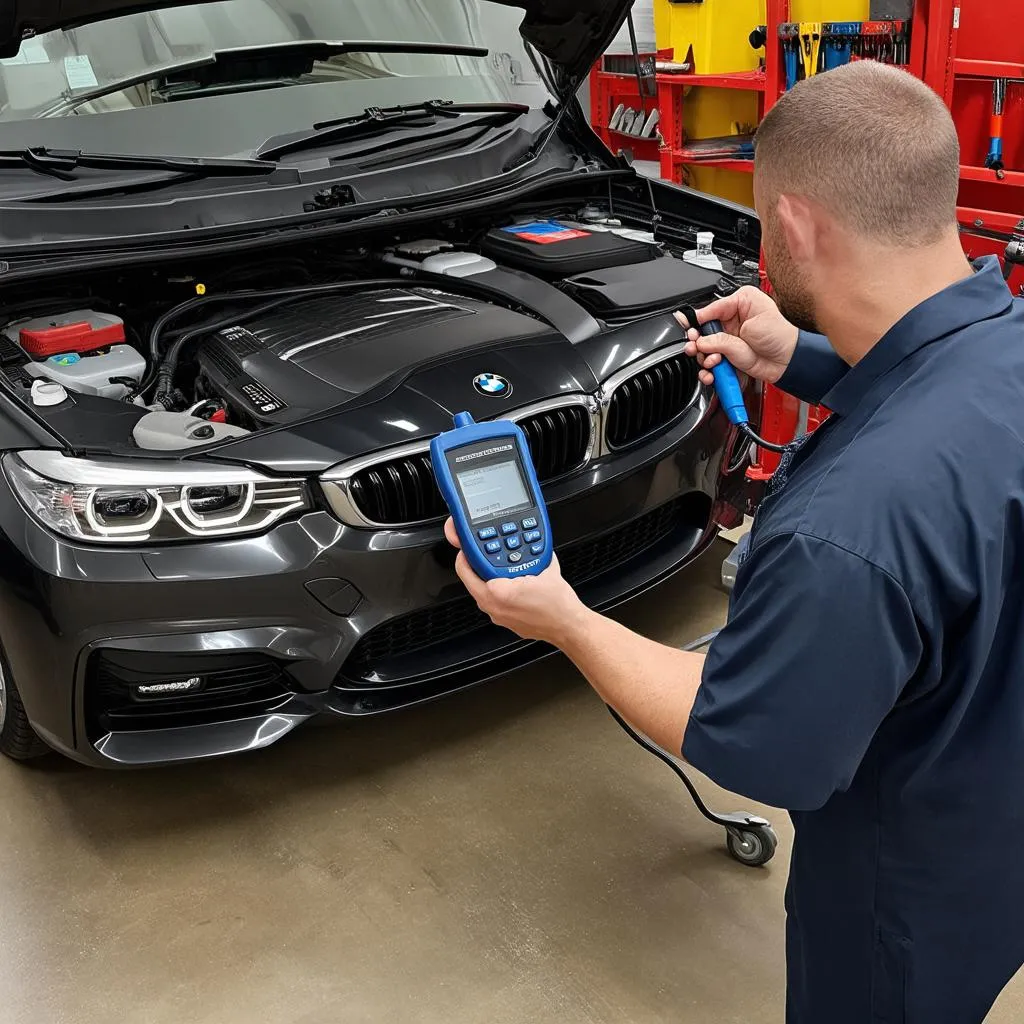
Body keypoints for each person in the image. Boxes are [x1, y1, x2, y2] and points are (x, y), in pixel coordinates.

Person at [444, 61, 1024, 1023]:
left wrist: (566, 620)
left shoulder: (846, 531)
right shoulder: (1005, 343)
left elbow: (755, 742)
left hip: (909, 891)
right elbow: (943, 410)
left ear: (792, 225)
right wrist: (799, 355)